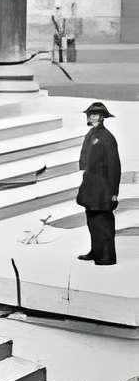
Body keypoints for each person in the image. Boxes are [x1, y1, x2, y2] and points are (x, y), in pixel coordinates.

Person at [76, 102, 121, 266]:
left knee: (103, 222)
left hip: (103, 188)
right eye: (90, 114)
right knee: (92, 221)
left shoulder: (106, 137)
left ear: (102, 117)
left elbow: (114, 166)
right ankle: (96, 251)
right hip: (91, 185)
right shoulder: (91, 134)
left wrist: (114, 192)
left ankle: (106, 257)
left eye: (95, 114)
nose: (92, 117)